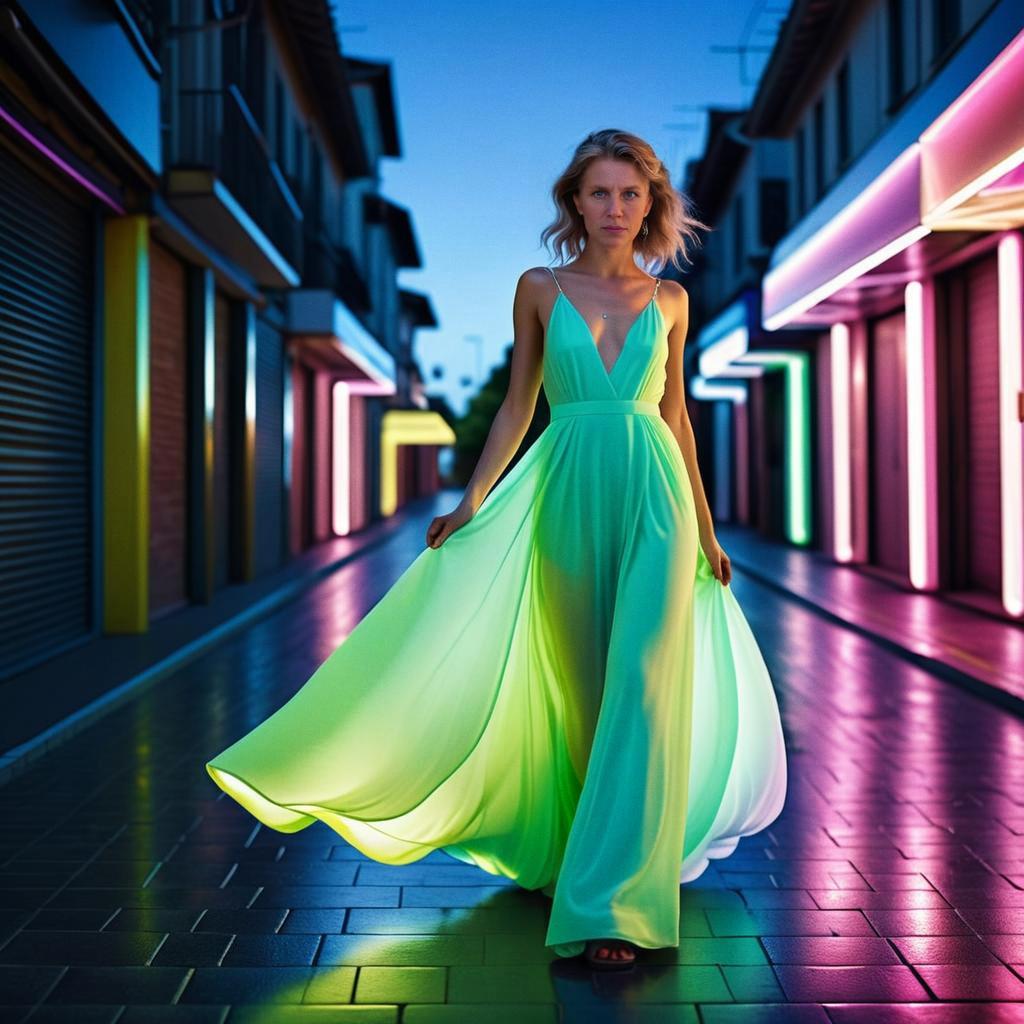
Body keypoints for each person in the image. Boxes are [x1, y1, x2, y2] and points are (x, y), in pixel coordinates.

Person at [206, 128, 787, 972]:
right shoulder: (540, 288)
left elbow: (676, 417)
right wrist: (469, 499)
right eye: (599, 193)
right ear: (574, 202)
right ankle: (578, 863)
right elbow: (518, 406)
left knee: (646, 694)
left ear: (652, 203)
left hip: (656, 500)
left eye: (631, 194)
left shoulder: (670, 302)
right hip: (566, 499)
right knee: (587, 697)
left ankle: (618, 907)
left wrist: (704, 524)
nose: (615, 209)